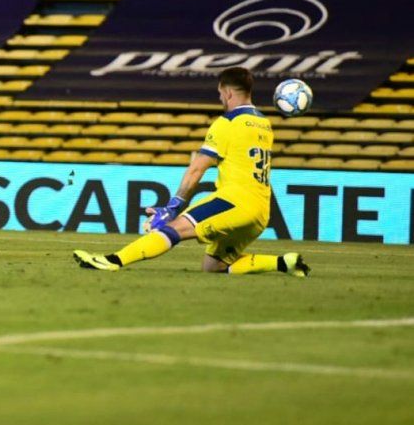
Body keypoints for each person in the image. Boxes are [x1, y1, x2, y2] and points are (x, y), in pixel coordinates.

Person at [73, 66, 310, 277]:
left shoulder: (226, 124)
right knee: (213, 266)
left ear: (227, 91)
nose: (221, 99)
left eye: (220, 94)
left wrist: (173, 206)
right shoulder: (264, 124)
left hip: (233, 202)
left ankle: (113, 261)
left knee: (172, 229)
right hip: (260, 211)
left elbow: (197, 169)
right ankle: (282, 263)